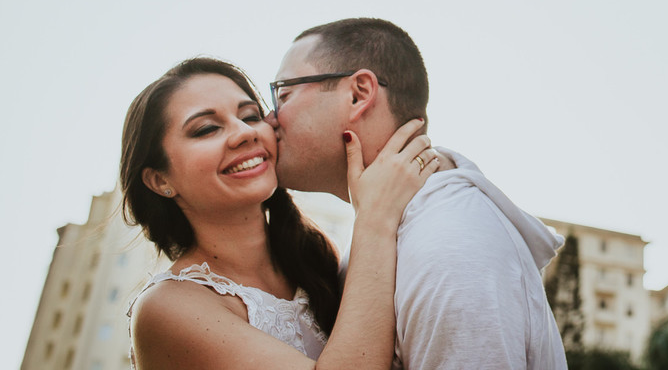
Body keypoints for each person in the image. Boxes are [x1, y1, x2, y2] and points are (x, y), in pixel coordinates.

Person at [269, 17, 569, 370]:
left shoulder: (450, 239)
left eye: (284, 94)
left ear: (358, 94)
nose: (269, 117)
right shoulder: (395, 227)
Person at [120, 56, 440, 369]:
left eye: (250, 116)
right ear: (160, 179)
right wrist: (374, 218)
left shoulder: (315, 257)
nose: (245, 133)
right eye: (206, 129)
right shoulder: (166, 306)